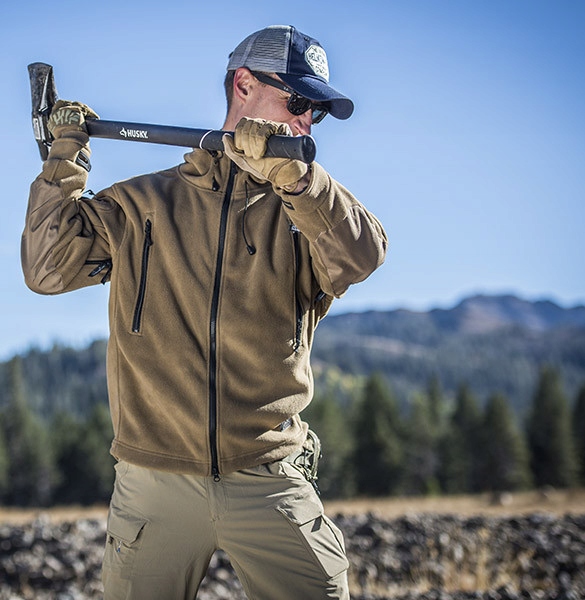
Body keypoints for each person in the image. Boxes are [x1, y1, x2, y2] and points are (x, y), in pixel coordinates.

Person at [22, 24, 387, 600]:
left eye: (315, 112)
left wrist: (300, 180)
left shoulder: (305, 211)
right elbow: (47, 269)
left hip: (270, 478)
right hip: (153, 483)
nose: (306, 122)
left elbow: (361, 256)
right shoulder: (141, 203)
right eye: (297, 102)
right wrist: (64, 163)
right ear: (243, 85)